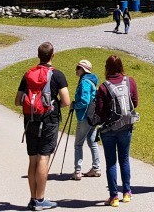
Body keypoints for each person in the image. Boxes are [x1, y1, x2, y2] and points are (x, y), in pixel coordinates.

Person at [15, 42, 70, 211]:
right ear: (53, 55)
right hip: (48, 121)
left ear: (38, 55)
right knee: (43, 158)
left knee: (32, 158)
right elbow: (66, 101)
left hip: (30, 120)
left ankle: (33, 198)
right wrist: (53, 106)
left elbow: (18, 101)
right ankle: (40, 200)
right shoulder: (57, 75)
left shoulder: (28, 74)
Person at [96, 55, 139, 206]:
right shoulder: (130, 82)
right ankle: (127, 192)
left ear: (107, 67)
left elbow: (100, 112)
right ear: (121, 66)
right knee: (124, 159)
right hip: (126, 127)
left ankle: (114, 197)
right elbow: (135, 102)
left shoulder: (103, 87)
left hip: (108, 129)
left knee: (111, 163)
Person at [72, 59, 101, 181]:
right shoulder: (92, 80)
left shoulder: (84, 82)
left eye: (78, 68)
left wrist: (75, 105)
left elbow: (84, 101)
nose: (76, 70)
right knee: (92, 142)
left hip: (84, 117)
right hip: (92, 116)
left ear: (83, 70)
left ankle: (77, 171)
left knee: (78, 144)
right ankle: (96, 168)